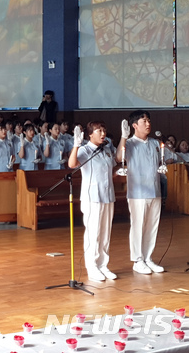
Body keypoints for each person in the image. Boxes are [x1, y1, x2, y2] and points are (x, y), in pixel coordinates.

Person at [69, 121, 117, 282]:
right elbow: (72, 164)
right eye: (99, 131)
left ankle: (103, 265)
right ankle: (92, 267)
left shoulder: (107, 149)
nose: (103, 133)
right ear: (90, 134)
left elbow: (112, 170)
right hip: (92, 197)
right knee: (93, 233)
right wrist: (76, 145)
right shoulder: (85, 149)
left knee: (105, 233)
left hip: (108, 195)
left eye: (104, 130)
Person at [116, 110, 164, 275]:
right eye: (144, 121)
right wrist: (123, 136)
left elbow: (168, 157)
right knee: (138, 226)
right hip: (137, 192)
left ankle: (148, 257)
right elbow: (119, 157)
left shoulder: (155, 143)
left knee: (152, 226)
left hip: (154, 190)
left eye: (149, 120)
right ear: (135, 125)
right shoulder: (129, 143)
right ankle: (137, 260)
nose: (148, 124)